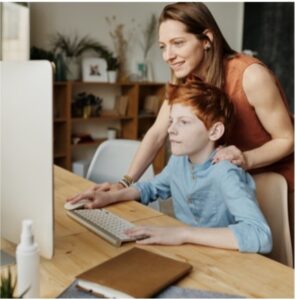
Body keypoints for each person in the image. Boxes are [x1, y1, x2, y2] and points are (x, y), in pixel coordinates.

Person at [70, 3, 294, 239]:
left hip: (276, 179)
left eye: (178, 43)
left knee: (276, 260)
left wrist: (246, 158)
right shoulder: (186, 80)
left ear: (206, 39)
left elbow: (288, 139)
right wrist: (124, 184)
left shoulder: (251, 76)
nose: (168, 56)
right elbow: (157, 133)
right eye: (163, 47)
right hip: (231, 178)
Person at [67, 80, 272, 253]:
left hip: (226, 261)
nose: (171, 130)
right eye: (171, 120)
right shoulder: (179, 161)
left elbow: (260, 235)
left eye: (183, 122)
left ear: (215, 131)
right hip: (191, 252)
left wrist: (183, 233)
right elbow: (152, 187)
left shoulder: (225, 172)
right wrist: (112, 195)